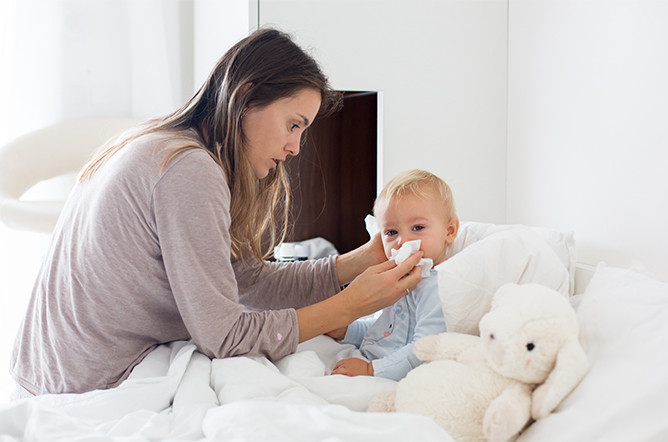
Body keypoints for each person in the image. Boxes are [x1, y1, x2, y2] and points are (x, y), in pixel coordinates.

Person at [9, 28, 424, 397]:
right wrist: (348, 307)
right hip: (83, 386)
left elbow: (244, 280)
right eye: (293, 125)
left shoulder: (162, 143)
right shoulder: (188, 169)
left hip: (46, 373)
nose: (296, 147)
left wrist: (360, 261)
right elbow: (224, 336)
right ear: (245, 97)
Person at [329, 169, 459, 381]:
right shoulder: (398, 278)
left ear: (450, 231)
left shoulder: (437, 286)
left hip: (392, 376)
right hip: (367, 360)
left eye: (417, 228)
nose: (402, 241)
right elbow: (383, 331)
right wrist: (347, 331)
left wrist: (372, 370)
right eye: (392, 232)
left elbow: (423, 350)